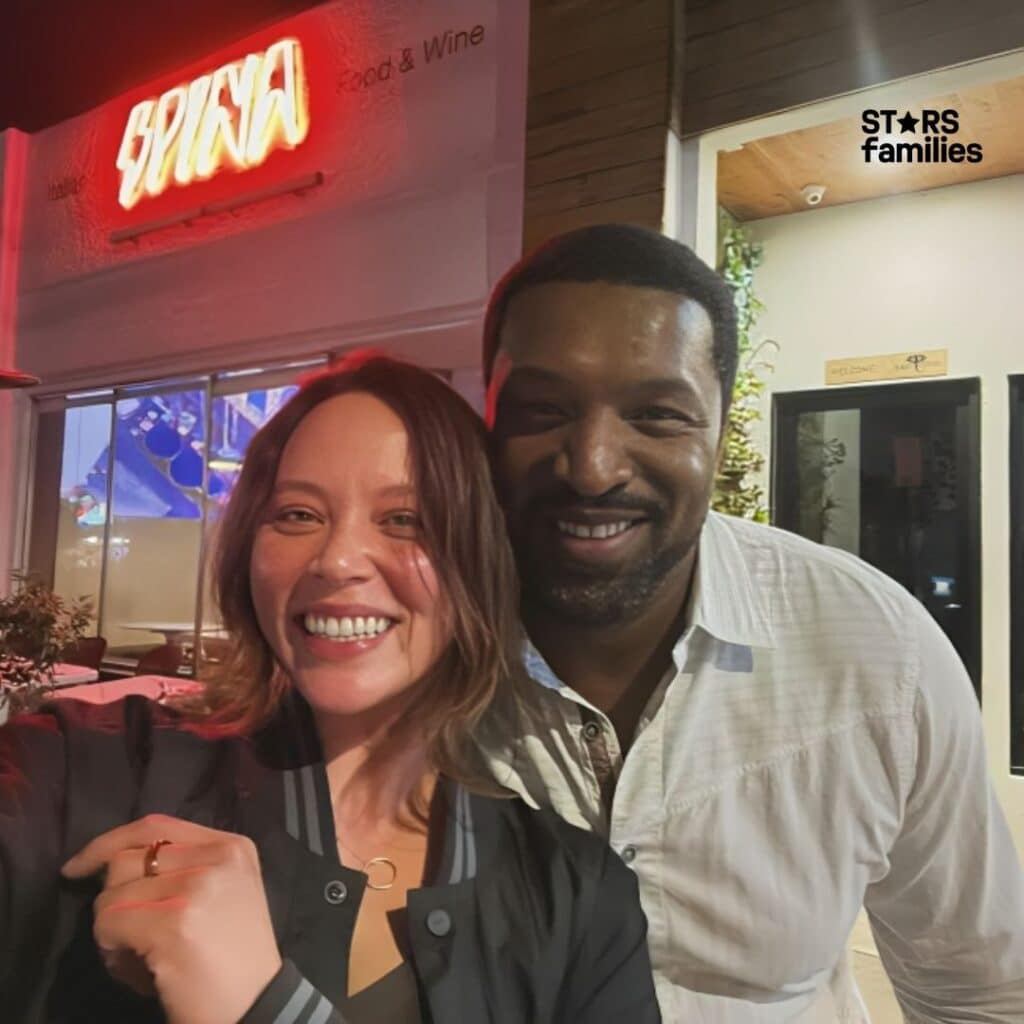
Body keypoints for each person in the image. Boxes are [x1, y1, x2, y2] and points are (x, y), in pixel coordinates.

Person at [0, 353, 662, 1024]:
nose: (336, 559)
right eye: (296, 514)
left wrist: (268, 1009)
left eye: (406, 520)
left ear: (482, 561)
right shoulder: (83, 773)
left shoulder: (576, 901)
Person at [476, 223, 1024, 1023]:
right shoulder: (414, 652)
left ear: (722, 428)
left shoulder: (877, 653)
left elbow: (977, 993)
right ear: (487, 421)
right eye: (543, 409)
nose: (593, 465)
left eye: (657, 415)